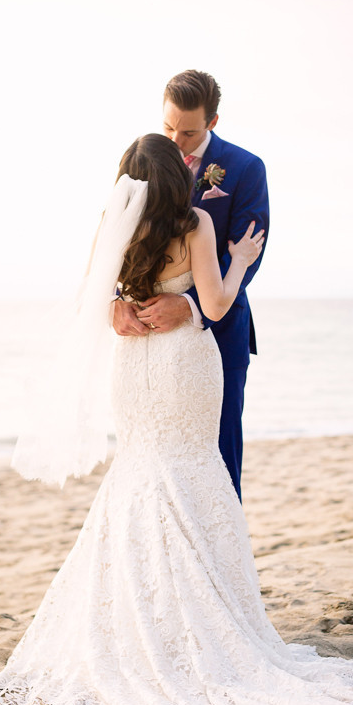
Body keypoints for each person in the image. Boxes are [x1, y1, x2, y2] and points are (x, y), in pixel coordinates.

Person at [0, 134, 353, 705]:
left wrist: (122, 305)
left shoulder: (116, 228)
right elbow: (218, 302)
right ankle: (206, 623)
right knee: (193, 468)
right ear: (175, 174)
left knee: (141, 472)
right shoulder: (195, 222)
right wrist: (238, 256)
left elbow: (93, 301)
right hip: (181, 362)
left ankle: (136, 622)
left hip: (134, 366)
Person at [113, 70, 269, 500]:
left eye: (188, 132)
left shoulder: (245, 168)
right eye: (167, 127)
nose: (175, 141)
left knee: (217, 461)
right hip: (146, 345)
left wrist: (189, 303)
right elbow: (115, 246)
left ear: (212, 123)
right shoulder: (143, 163)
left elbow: (248, 251)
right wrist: (114, 301)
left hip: (217, 334)